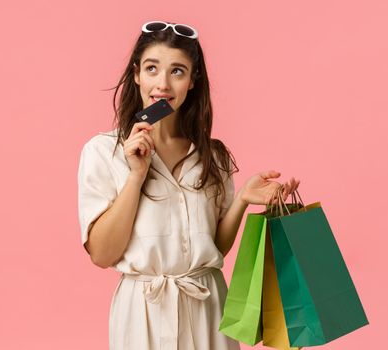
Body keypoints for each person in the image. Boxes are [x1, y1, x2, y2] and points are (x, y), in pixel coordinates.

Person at [77, 20, 300, 350]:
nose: (162, 84)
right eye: (152, 68)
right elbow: (102, 254)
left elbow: (213, 249)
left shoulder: (213, 155)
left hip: (207, 305)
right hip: (143, 312)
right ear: (137, 73)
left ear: (193, 80)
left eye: (177, 71)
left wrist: (241, 200)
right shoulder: (103, 151)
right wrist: (136, 175)